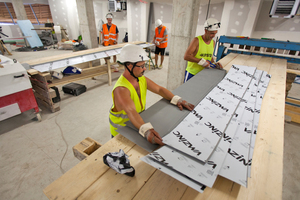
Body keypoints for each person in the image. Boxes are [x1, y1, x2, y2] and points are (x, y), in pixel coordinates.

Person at [109, 44, 194, 145]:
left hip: (136, 124)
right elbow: (131, 111)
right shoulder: (121, 89)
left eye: (144, 65)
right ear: (129, 66)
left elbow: (159, 89)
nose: (145, 69)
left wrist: (176, 99)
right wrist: (147, 130)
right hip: (121, 132)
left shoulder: (141, 79)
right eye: (141, 66)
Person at [183, 18, 223, 83]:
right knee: (187, 92)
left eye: (215, 33)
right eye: (211, 33)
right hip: (192, 73)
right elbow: (186, 56)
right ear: (206, 31)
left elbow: (210, 57)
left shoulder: (213, 42)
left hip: (204, 73)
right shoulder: (196, 41)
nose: (213, 36)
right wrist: (201, 62)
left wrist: (215, 64)